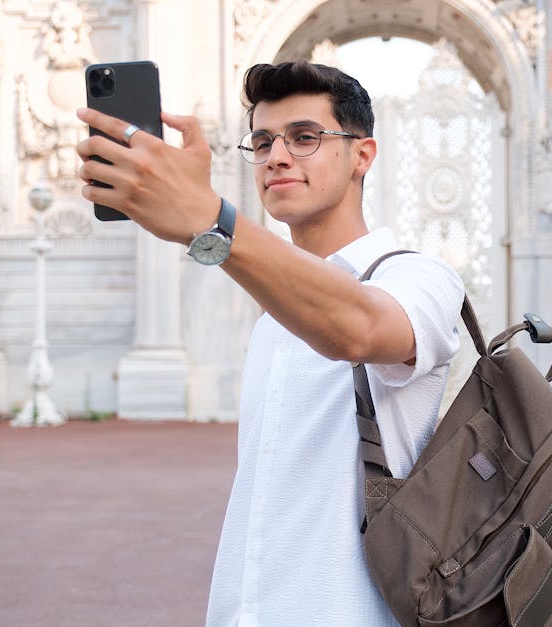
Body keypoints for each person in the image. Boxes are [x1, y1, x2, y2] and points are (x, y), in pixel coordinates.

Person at [76, 62, 464, 625]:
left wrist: (210, 220)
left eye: (305, 138)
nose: (276, 156)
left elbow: (358, 330)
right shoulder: (271, 318)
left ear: (363, 155)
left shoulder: (421, 279)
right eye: (261, 142)